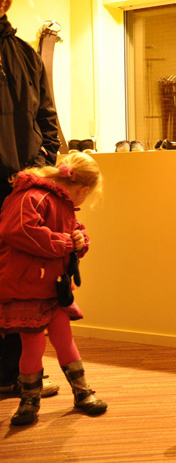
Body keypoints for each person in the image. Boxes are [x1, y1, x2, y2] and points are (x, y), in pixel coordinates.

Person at [0, 152, 108, 426]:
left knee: (64, 339)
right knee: (33, 345)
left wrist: (81, 240)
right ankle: (29, 400)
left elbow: (74, 230)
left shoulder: (59, 201)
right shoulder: (32, 197)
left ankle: (82, 392)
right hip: (28, 287)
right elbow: (19, 231)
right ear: (82, 189)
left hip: (53, 286)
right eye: (86, 196)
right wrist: (65, 243)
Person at [0, 0, 62, 401]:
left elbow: (47, 117)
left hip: (22, 192)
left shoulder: (23, 53)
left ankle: (17, 378)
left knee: (21, 287)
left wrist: (40, 170)